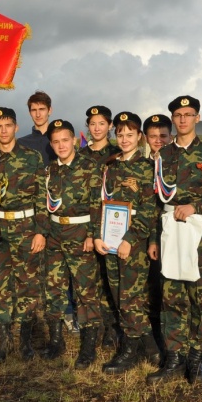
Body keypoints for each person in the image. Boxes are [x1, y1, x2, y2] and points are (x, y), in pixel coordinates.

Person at [146, 96, 202, 385]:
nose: (183, 119)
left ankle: (197, 359)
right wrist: (152, 239)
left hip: (198, 235)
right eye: (178, 115)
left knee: (199, 297)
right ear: (173, 119)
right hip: (169, 232)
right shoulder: (162, 156)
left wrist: (197, 206)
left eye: (188, 114)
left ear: (198, 117)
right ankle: (173, 357)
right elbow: (154, 202)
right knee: (171, 297)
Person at [93, 111, 160, 374]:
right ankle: (150, 346)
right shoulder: (109, 166)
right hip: (109, 238)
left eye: (129, 134)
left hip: (133, 241)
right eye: (120, 134)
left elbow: (149, 208)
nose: (124, 139)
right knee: (118, 295)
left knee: (131, 296)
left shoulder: (147, 167)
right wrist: (97, 234)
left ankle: (130, 350)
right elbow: (99, 203)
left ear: (139, 137)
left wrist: (130, 239)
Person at [0, 107, 48, 363]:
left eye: (8, 125)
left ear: (16, 127)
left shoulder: (32, 157)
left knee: (27, 286)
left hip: (26, 229)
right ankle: (4, 342)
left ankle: (25, 343)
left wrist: (41, 231)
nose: (4, 130)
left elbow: (42, 197)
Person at [42, 119, 102, 369]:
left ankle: (88, 347)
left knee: (86, 291)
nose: (60, 145)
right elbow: (43, 203)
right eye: (55, 141)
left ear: (74, 140)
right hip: (55, 234)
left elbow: (98, 203)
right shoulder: (49, 171)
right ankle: (56, 341)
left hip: (81, 234)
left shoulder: (90, 167)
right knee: (54, 289)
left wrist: (92, 234)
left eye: (65, 140)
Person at [79, 105, 121, 348]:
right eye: (92, 124)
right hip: (85, 225)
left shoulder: (117, 153)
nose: (96, 128)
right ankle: (91, 329)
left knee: (111, 280)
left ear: (110, 127)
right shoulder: (80, 155)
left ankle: (113, 328)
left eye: (101, 124)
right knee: (89, 281)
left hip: (112, 225)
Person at [142, 114, 173, 354]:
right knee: (150, 287)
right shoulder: (142, 165)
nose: (158, 140)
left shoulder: (175, 162)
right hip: (146, 235)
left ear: (170, 136)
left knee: (170, 290)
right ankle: (152, 338)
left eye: (163, 135)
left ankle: (171, 341)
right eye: (153, 136)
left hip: (172, 233)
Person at [17, 90, 57, 167]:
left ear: (50, 110)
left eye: (42, 109)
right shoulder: (21, 143)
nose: (38, 114)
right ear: (30, 113)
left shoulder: (61, 141)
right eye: (34, 110)